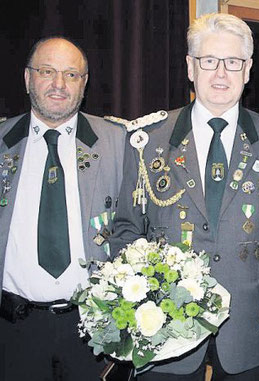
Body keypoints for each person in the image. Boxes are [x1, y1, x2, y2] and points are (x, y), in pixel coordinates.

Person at [110, 13, 259, 381]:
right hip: (164, 331)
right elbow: (126, 230)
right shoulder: (147, 138)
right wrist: (136, 303)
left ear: (248, 70)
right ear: (190, 66)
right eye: (209, 61)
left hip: (251, 330)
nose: (221, 73)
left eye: (233, 62)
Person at [0, 36, 126, 380]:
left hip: (93, 328)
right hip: (13, 331)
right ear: (28, 78)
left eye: (71, 75)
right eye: (47, 71)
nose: (58, 84)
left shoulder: (119, 142)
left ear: (84, 84)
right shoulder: (2, 142)